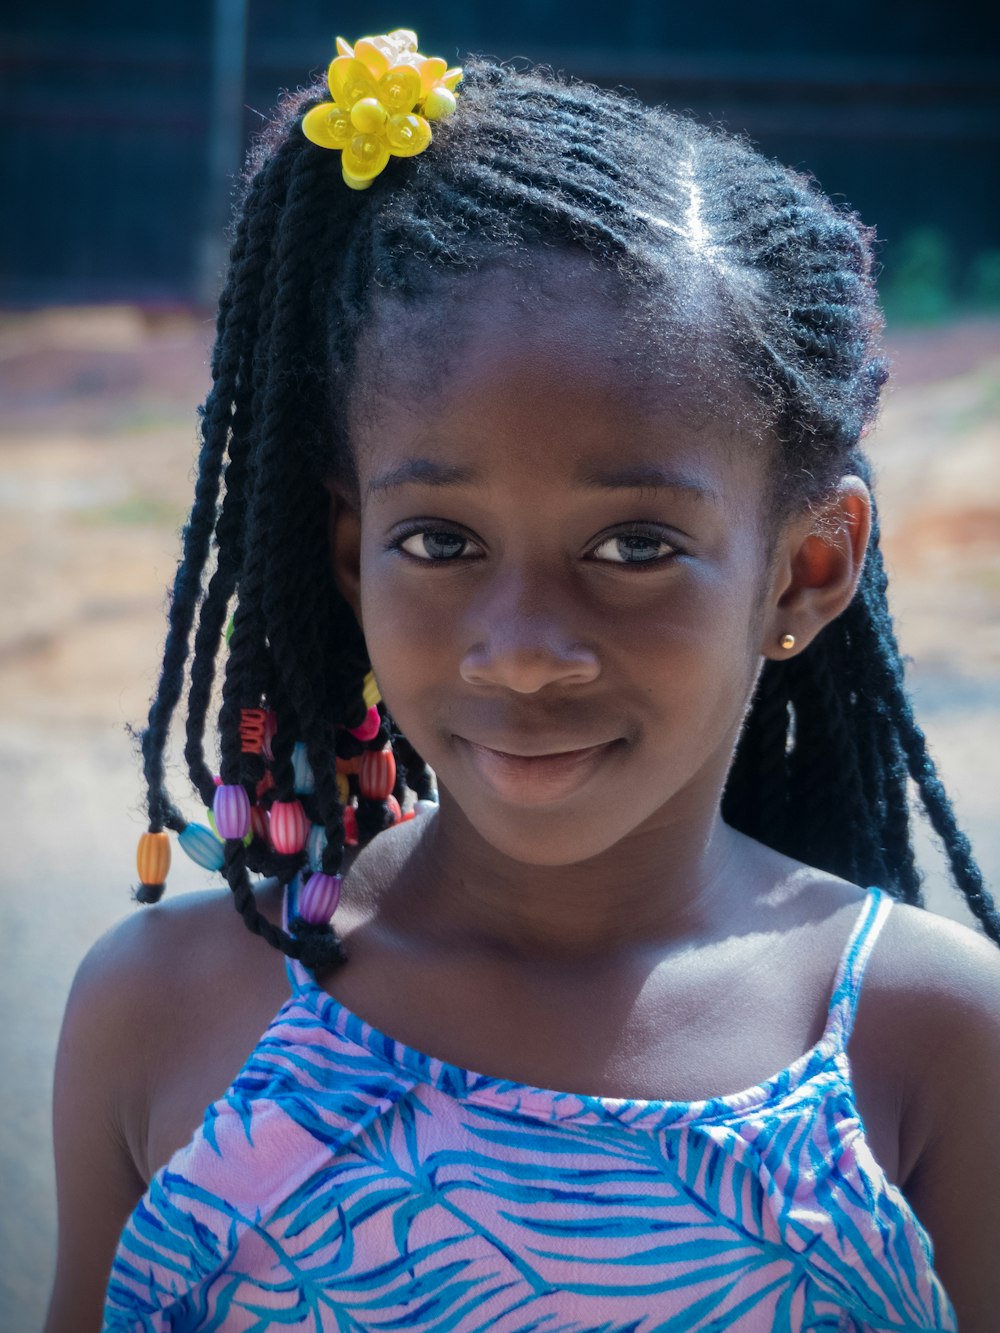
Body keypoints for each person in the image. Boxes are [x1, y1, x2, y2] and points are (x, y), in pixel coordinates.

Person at [46, 30, 1000, 1333]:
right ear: (347, 551)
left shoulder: (927, 1033)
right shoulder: (169, 1005)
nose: (526, 645)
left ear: (806, 568)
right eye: (441, 542)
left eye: (636, 546)